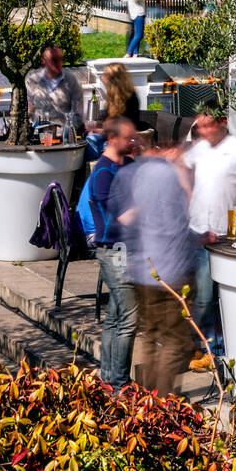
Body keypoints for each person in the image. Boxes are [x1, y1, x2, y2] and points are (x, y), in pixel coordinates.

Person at [108, 133, 198, 395]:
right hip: (171, 270)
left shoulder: (135, 173)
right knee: (175, 341)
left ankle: (147, 398)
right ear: (166, 147)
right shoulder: (168, 174)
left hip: (144, 269)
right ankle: (164, 399)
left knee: (150, 338)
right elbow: (182, 217)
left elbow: (128, 219)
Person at [182, 104, 236, 371]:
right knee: (200, 295)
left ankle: (214, 349)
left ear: (221, 122)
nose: (203, 131)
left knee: (211, 295)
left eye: (207, 125)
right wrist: (189, 196)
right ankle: (204, 344)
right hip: (197, 230)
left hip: (224, 233)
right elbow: (182, 170)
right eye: (199, 127)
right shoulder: (200, 149)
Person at [76, 117, 140, 391]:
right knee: (128, 319)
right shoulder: (103, 173)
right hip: (115, 251)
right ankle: (120, 384)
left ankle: (109, 380)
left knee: (115, 318)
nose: (133, 141)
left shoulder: (124, 166)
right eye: (128, 138)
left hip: (123, 250)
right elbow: (123, 218)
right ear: (112, 139)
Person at [25, 43, 85, 133]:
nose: (57, 63)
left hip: (62, 133)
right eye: (53, 60)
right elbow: (28, 108)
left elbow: (78, 114)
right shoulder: (33, 80)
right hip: (38, 132)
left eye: (60, 59)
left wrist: (67, 132)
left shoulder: (71, 81)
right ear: (44, 61)